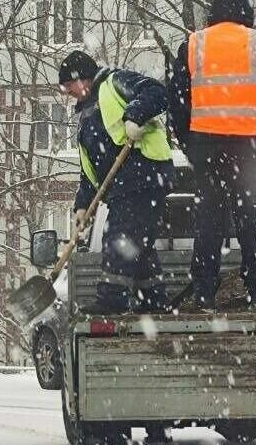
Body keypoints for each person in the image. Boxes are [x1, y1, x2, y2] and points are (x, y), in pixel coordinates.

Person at [167, 0, 256, 313]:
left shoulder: (193, 45)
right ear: (247, 14)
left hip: (207, 149)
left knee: (209, 222)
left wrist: (190, 145)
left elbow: (178, 105)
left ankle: (205, 293)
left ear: (213, 14)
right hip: (249, 150)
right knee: (252, 221)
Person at [58, 50, 174, 313]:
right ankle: (154, 300)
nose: (67, 93)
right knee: (139, 245)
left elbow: (157, 92)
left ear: (83, 78)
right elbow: (91, 171)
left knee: (119, 235)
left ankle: (113, 298)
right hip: (124, 185)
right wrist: (82, 205)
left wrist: (135, 115)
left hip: (144, 173)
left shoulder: (115, 83)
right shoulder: (86, 117)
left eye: (68, 85)